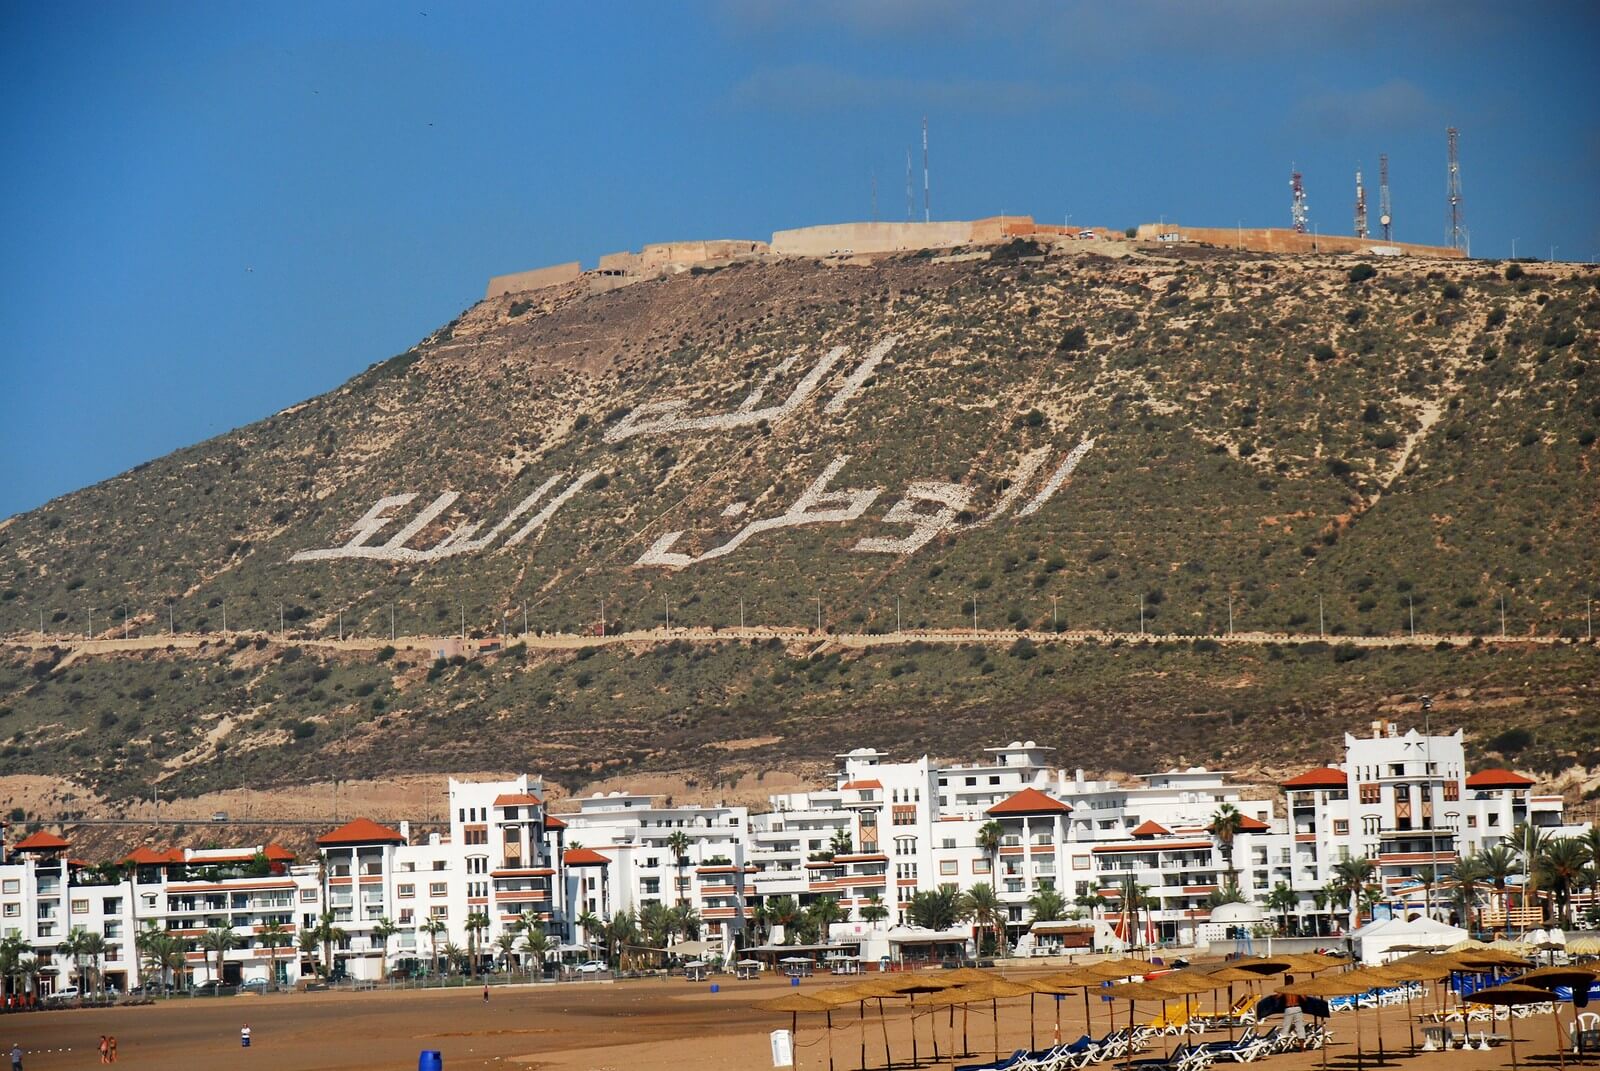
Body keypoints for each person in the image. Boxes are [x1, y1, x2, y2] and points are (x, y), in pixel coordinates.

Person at [1281, 975, 1306, 1047]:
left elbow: (1277, 997)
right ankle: (1302, 1047)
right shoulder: (1297, 988)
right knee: (1300, 1028)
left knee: (1286, 1027)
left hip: (1288, 1008)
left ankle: (1284, 1045)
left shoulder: (1284, 989)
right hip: (1297, 1008)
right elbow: (1304, 998)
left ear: (1286, 981)